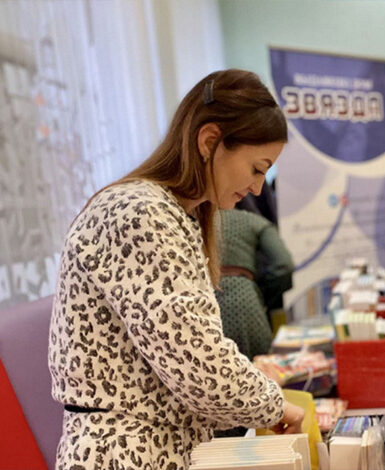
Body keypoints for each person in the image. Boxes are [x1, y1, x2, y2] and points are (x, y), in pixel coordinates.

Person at [48, 69, 304, 469]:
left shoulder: (174, 215)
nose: (258, 188)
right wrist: (274, 406)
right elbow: (199, 365)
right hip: (123, 454)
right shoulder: (140, 213)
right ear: (209, 140)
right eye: (257, 169)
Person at [216, 202, 294, 360]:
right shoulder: (254, 221)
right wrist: (262, 295)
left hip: (206, 303)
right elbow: (284, 265)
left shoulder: (191, 222)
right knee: (261, 367)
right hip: (246, 300)